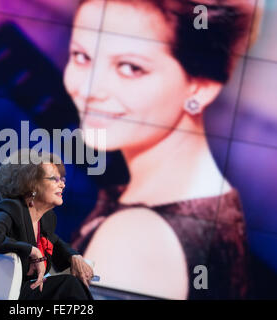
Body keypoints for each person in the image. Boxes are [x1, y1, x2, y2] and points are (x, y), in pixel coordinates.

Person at [64, 0, 261, 299]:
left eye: (130, 68)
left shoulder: (136, 242)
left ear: (200, 87)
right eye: (81, 56)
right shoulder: (209, 198)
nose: (89, 89)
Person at [0, 149, 94, 300]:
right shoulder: (10, 209)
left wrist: (74, 256)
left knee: (70, 286)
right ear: (31, 184)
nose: (62, 185)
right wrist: (32, 250)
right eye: (54, 179)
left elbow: (55, 242)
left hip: (18, 291)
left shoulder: (47, 218)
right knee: (68, 285)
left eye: (62, 180)